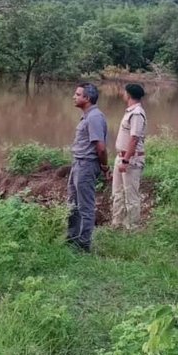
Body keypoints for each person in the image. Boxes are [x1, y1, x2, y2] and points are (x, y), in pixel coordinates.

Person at [67, 82, 109, 252]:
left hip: (86, 165)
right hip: (78, 163)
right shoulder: (87, 116)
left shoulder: (95, 117)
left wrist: (105, 167)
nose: (74, 97)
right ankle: (72, 239)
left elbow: (101, 147)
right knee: (73, 204)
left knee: (85, 207)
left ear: (87, 98)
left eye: (78, 94)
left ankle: (83, 245)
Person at [111, 83, 147, 230]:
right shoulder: (130, 111)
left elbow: (134, 138)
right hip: (122, 157)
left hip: (131, 159)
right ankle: (117, 224)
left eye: (124, 92)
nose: (123, 94)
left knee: (131, 195)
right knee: (118, 193)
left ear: (128, 94)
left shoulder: (137, 113)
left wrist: (126, 160)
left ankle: (132, 227)